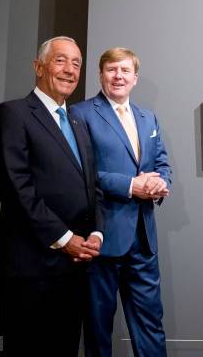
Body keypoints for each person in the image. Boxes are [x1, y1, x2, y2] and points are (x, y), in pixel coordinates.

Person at [0, 36, 103, 355]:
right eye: (61, 60)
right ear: (38, 67)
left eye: (76, 63)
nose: (69, 70)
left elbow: (92, 186)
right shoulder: (12, 114)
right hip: (31, 267)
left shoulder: (78, 123)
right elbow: (15, 188)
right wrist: (64, 239)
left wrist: (95, 232)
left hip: (75, 267)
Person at [70, 47, 172, 357]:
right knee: (98, 328)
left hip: (143, 239)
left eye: (125, 70)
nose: (118, 76)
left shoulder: (148, 117)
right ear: (101, 75)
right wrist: (131, 185)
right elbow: (79, 173)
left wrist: (160, 182)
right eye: (112, 69)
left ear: (135, 78)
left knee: (151, 324)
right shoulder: (80, 114)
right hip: (101, 237)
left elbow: (162, 163)